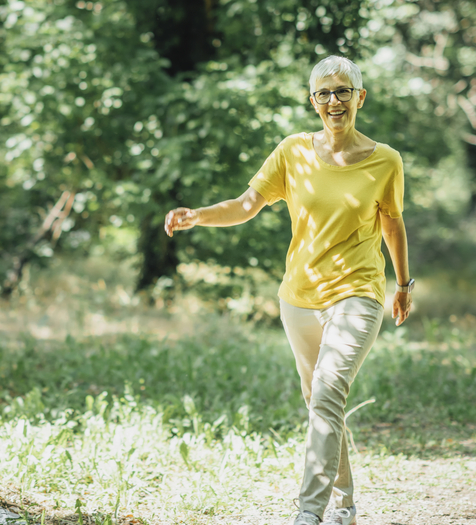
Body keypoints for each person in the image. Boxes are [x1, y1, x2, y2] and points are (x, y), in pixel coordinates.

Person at [164, 55, 413, 525]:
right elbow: (247, 205)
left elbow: (392, 223)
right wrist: (198, 215)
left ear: (360, 97)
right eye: (324, 93)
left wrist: (402, 284)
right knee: (322, 403)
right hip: (298, 298)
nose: (334, 101)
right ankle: (344, 507)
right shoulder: (292, 151)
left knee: (328, 390)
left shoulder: (386, 160)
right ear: (312, 101)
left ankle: (309, 513)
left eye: (343, 91)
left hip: (357, 292)